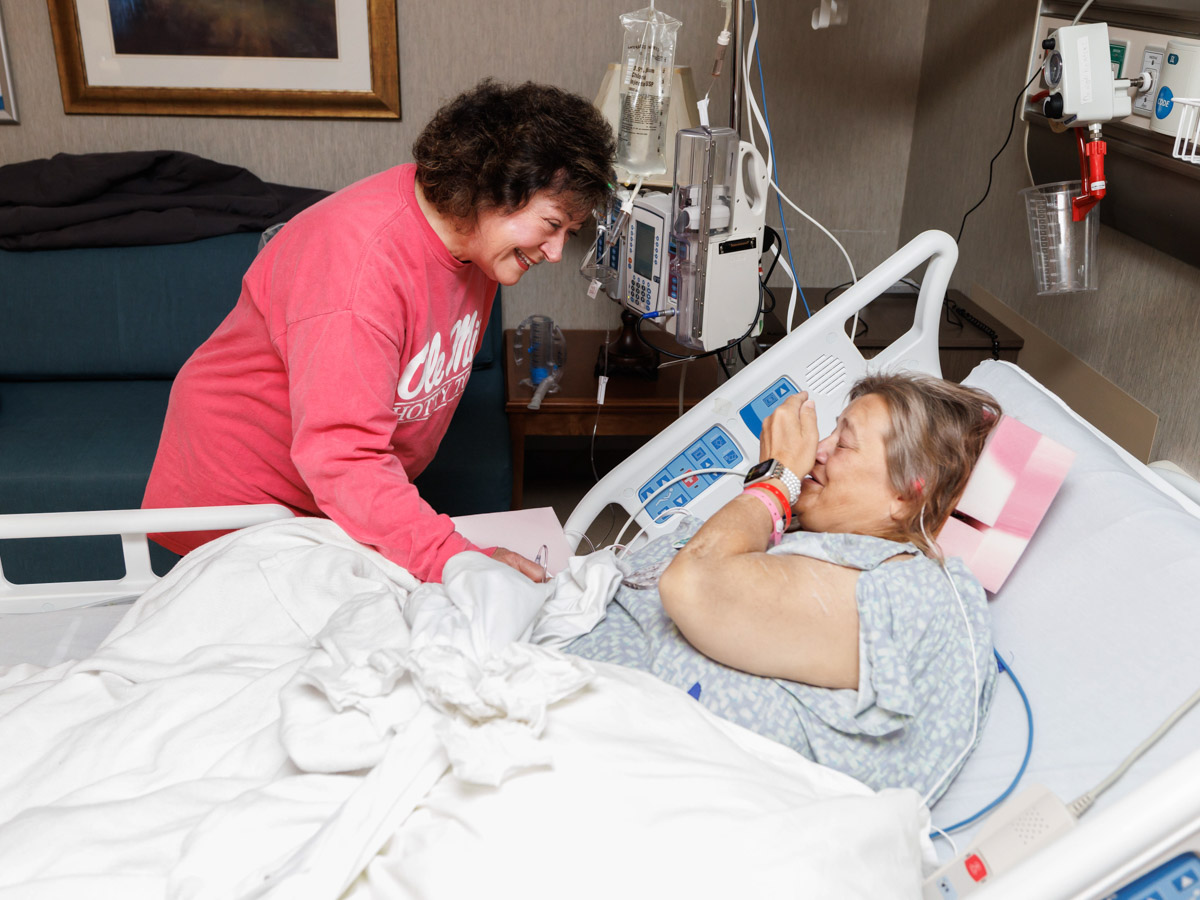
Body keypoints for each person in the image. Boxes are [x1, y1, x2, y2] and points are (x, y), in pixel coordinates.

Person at [143, 80, 616, 583]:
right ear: (490, 187)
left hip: (328, 500)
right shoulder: (358, 271)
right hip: (244, 506)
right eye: (551, 224)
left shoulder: (473, 241)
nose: (556, 252)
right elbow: (343, 457)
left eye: (570, 232)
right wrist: (452, 558)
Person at [566, 372, 1003, 802]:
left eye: (844, 442)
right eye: (830, 431)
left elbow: (695, 584)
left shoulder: (904, 591)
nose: (818, 450)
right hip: (557, 685)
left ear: (907, 495)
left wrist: (775, 480)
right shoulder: (802, 537)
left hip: (600, 764)